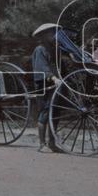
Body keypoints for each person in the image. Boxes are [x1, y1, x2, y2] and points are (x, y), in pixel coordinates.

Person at [31, 23, 62, 153]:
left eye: (54, 33)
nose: (53, 35)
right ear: (44, 35)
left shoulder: (54, 49)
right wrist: (53, 77)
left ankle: (52, 143)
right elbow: (42, 67)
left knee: (55, 112)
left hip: (56, 83)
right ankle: (42, 144)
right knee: (45, 111)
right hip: (44, 83)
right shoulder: (40, 49)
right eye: (51, 33)